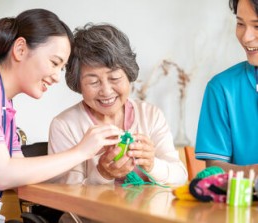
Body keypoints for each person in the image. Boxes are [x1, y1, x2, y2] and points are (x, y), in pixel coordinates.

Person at [0, 9, 122, 223]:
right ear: (20, 49)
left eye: (61, 69)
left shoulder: (5, 107)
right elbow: (2, 173)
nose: (56, 77)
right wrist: (82, 151)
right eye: (54, 63)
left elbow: (17, 172)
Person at [48, 23, 187, 187]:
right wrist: (102, 174)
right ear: (78, 84)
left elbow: (180, 176)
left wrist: (152, 164)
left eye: (114, 78)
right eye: (93, 82)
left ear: (128, 75)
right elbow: (65, 194)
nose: (106, 91)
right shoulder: (65, 125)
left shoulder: (150, 115)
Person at [195, 0, 258, 176]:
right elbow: (215, 169)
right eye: (240, 24)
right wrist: (252, 172)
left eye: (257, 26)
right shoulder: (222, 88)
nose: (246, 37)